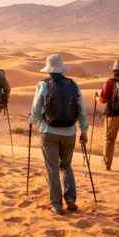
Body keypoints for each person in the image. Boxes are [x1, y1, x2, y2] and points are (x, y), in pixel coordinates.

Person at [29, 54, 89, 215]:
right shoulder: (74, 85)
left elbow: (36, 108)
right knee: (66, 165)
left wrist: (31, 121)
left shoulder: (42, 85)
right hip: (69, 133)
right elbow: (81, 110)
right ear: (62, 69)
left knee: (52, 168)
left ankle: (56, 204)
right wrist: (84, 130)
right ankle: (70, 198)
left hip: (48, 132)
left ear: (49, 70)